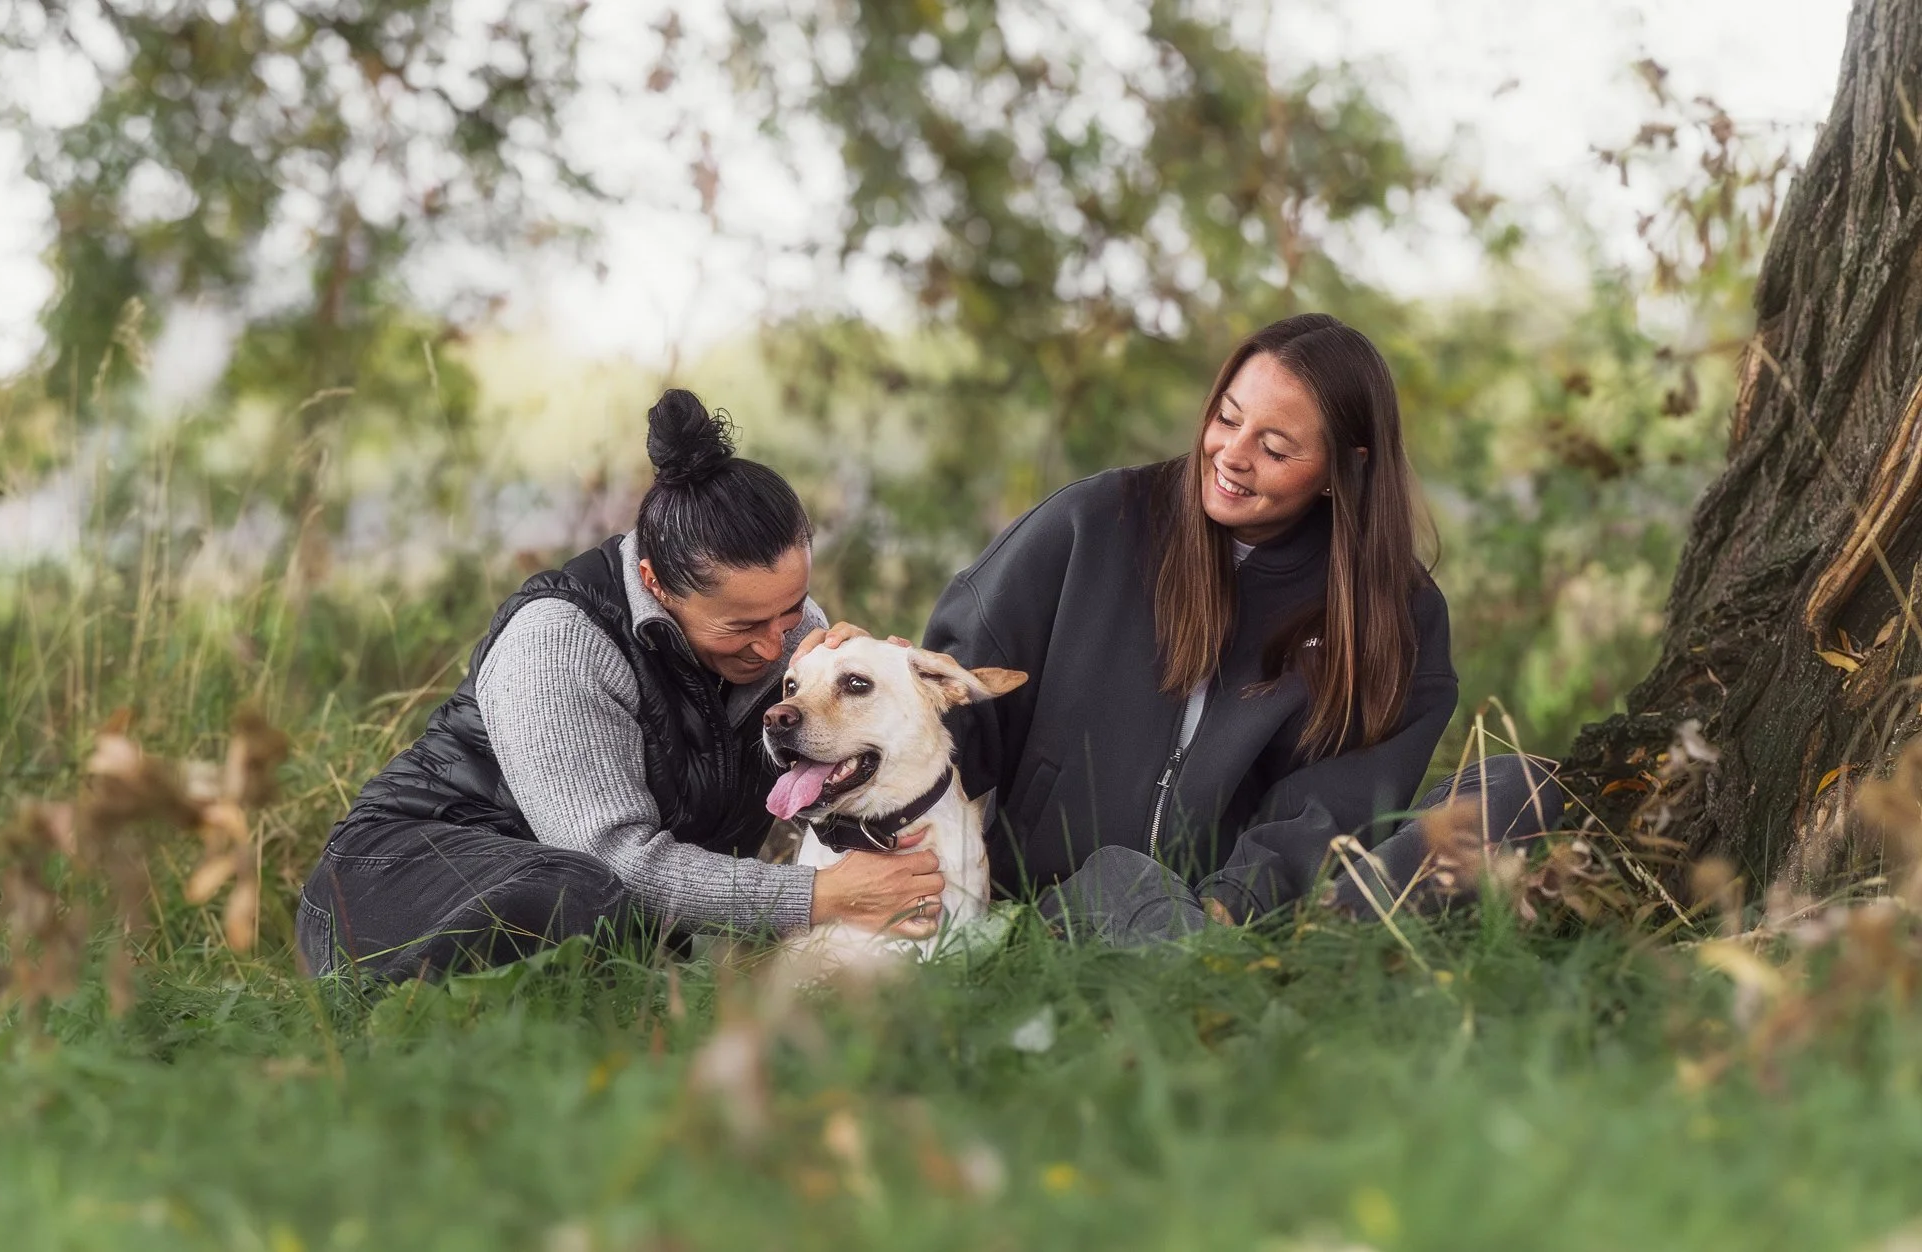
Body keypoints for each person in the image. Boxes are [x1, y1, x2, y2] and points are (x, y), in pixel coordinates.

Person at [807, 313, 1563, 944]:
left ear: (1345, 470)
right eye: (1228, 418)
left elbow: (1346, 799)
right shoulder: (1091, 526)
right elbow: (956, 716)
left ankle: (1228, 955)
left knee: (1519, 788)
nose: (1231, 455)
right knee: (1119, 877)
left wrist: (1234, 904)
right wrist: (868, 691)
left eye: (1275, 447)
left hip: (1263, 911)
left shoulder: (1395, 610)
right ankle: (1235, 979)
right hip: (1069, 899)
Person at [296, 390, 946, 980]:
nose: (774, 645)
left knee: (622, 931)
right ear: (656, 584)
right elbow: (619, 863)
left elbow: (810, 795)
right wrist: (819, 897)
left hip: (593, 903)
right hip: (398, 883)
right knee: (585, 898)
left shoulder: (797, 637)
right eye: (743, 624)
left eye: (791, 609)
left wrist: (865, 689)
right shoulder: (559, 638)